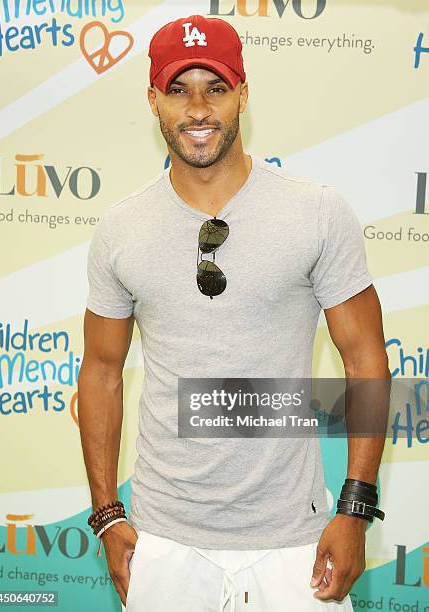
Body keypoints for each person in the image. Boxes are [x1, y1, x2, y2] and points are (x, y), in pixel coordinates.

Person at [77, 13, 390, 612]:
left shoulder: (317, 213)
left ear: (244, 93)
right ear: (153, 101)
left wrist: (354, 509)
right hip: (163, 539)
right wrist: (106, 514)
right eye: (179, 90)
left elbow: (366, 361)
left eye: (216, 88)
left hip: (294, 540)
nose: (198, 109)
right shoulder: (121, 227)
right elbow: (100, 372)